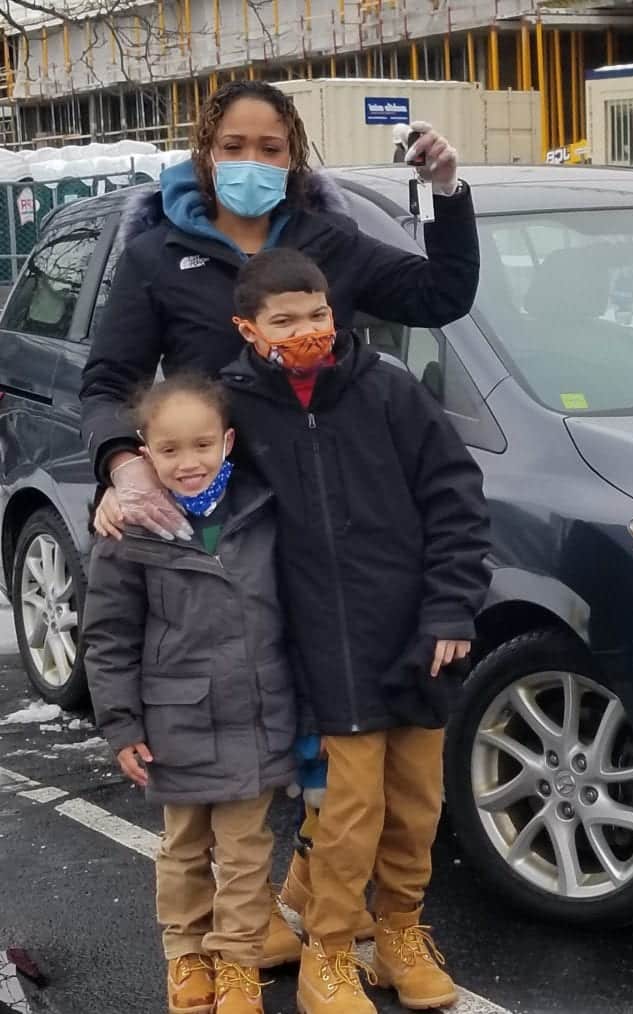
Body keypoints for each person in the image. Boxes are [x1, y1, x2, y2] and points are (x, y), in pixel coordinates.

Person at [79, 79, 480, 965]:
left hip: (336, 528)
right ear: (204, 151)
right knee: (246, 721)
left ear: (294, 153)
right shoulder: (158, 255)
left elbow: (442, 294)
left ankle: (320, 890)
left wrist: (447, 192)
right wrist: (123, 461)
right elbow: (107, 383)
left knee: (333, 735)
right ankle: (250, 913)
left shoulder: (329, 242)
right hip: (229, 532)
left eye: (270, 148)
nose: (252, 165)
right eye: (235, 147)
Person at [221, 247, 490, 1014]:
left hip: (414, 639)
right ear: (248, 328)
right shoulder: (234, 409)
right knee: (347, 810)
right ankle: (330, 952)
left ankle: (400, 932)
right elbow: (210, 521)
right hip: (321, 651)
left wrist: (449, 606)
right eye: (285, 321)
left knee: (416, 805)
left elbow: (456, 502)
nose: (307, 331)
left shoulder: (389, 391)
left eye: (318, 315)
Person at [83, 374, 296, 1014]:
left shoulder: (263, 513)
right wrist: (121, 724)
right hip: (175, 722)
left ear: (228, 442)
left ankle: (237, 961)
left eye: (202, 445)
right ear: (145, 453)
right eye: (170, 450)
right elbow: (109, 635)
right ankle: (186, 954)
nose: (188, 462)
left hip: (256, 715)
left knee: (245, 852)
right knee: (183, 849)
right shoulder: (129, 532)